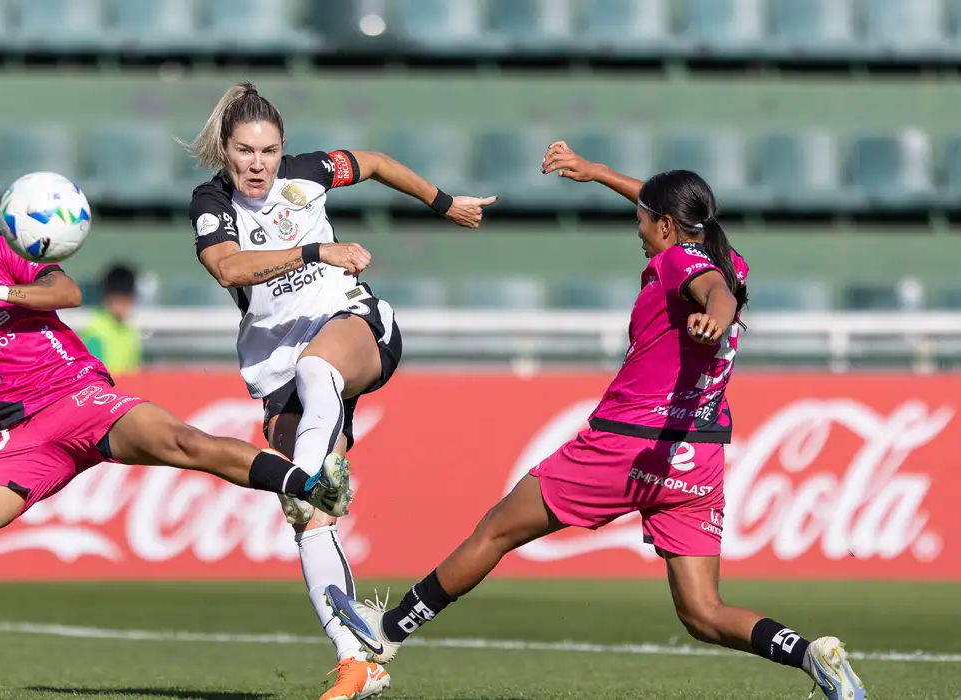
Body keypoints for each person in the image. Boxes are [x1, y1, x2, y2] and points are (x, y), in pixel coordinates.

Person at [325, 146, 867, 700]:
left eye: (643, 221)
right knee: (703, 612)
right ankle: (811, 655)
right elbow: (693, 249)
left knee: (496, 530)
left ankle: (387, 631)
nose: (638, 231)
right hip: (695, 460)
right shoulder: (726, 255)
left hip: (625, 448)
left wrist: (715, 318)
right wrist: (598, 173)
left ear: (665, 226)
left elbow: (715, 293)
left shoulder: (681, 263)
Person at [0, 182, 352, 700]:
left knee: (184, 443)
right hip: (20, 437)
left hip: (77, 397)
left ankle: (308, 486)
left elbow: (63, 290)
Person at [185, 82, 496, 700]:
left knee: (316, 373)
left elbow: (373, 162)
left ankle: (313, 473)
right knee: (309, 518)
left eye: (269, 151)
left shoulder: (308, 174)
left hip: (352, 325)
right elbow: (226, 267)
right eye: (245, 151)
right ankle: (358, 660)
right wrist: (316, 249)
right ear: (225, 149)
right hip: (275, 364)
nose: (257, 164)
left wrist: (443, 202)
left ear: (283, 149)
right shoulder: (212, 202)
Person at [80, 262, 143, 375]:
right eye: (119, 300)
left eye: (126, 301)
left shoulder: (130, 332)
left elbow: (135, 372)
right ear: (107, 298)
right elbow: (94, 374)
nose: (123, 306)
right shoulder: (94, 331)